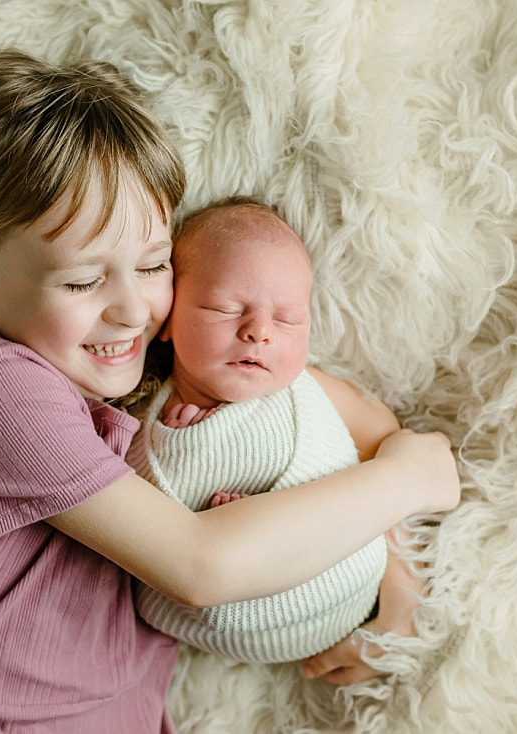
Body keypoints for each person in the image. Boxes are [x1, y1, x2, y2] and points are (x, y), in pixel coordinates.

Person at [0, 49, 461, 733]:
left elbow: (337, 420)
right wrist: (409, 480)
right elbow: (200, 564)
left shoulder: (145, 373)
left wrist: (397, 584)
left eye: (153, 265)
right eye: (82, 280)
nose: (131, 310)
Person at [128, 199, 431, 684]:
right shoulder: (135, 416)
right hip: (205, 625)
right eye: (226, 309)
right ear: (166, 316)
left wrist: (403, 587)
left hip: (345, 591)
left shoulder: (303, 390)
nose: (259, 332)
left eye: (288, 319)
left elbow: (386, 441)